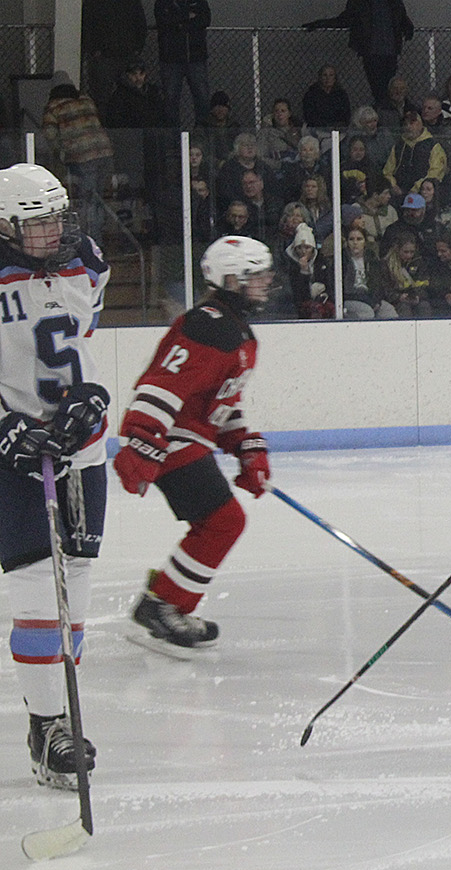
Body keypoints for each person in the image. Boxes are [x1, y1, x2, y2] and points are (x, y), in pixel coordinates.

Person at [0, 163, 109, 789]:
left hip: (83, 453)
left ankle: (60, 712)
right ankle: (47, 727)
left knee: (79, 592)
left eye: (57, 218)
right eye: (38, 223)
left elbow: (79, 344)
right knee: (39, 589)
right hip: (13, 460)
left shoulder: (87, 261)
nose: (53, 232)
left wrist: (86, 399)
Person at [114, 235, 274, 653]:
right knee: (224, 521)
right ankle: (163, 605)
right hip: (171, 440)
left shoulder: (237, 329)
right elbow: (164, 383)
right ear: (231, 279)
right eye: (254, 276)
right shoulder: (207, 323)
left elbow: (222, 401)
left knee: (221, 522)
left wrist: (246, 447)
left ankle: (165, 601)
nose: (265, 283)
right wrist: (142, 439)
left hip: (188, 440)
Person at [301, 0, 414, 105]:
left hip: (387, 52)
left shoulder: (392, 2)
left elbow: (401, 17)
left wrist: (408, 26)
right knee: (380, 90)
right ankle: (385, 116)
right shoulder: (361, 2)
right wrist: (321, 24)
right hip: (374, 53)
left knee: (387, 90)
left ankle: (387, 115)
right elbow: (345, 20)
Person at [40, 84, 115, 243]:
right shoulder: (86, 100)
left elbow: (50, 135)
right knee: (98, 198)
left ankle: (91, 241)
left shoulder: (54, 107)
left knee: (87, 200)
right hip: (104, 151)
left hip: (81, 156)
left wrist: (60, 154)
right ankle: (98, 237)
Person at [82, 0, 148, 114]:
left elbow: (141, 24)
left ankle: (114, 126)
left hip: (121, 54)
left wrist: (137, 48)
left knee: (129, 96)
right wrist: (93, 50)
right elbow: (86, 24)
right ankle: (111, 126)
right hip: (109, 55)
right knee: (103, 98)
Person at [155, 0, 211, 127]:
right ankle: (173, 141)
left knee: (202, 99)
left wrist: (179, 22)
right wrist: (187, 17)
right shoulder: (163, 2)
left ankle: (201, 138)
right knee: (170, 101)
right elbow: (163, 22)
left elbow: (206, 19)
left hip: (195, 58)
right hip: (171, 59)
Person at [302, 64, 352, 130]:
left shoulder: (341, 94)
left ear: (335, 78)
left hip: (337, 129)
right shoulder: (311, 94)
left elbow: (346, 114)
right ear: (320, 77)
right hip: (317, 129)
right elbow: (309, 115)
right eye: (325, 75)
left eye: (331, 75)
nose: (328, 78)